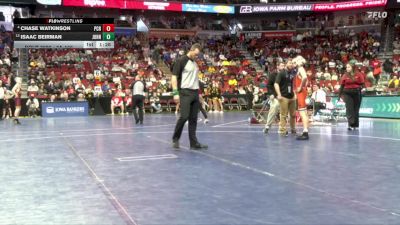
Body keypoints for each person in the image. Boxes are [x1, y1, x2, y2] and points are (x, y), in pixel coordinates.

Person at [171, 43, 208, 150]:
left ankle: (193, 143)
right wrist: (175, 93)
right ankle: (175, 138)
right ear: (192, 50)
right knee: (184, 116)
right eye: (196, 54)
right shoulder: (181, 61)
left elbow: (194, 79)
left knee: (193, 119)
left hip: (195, 92)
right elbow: (174, 77)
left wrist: (199, 95)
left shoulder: (195, 63)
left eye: (198, 55)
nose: (197, 56)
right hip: (185, 92)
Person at [339, 63, 365, 130]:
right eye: (346, 67)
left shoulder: (359, 74)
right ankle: (350, 124)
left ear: (352, 68)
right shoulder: (344, 75)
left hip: (357, 92)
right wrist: (339, 96)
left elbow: (363, 84)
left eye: (348, 67)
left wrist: (363, 89)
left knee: (356, 109)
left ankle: (355, 125)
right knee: (349, 109)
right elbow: (341, 86)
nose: (347, 68)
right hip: (347, 93)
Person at [275, 60, 297, 136]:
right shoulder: (281, 73)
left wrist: (294, 94)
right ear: (286, 64)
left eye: (292, 63)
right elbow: (276, 84)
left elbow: (292, 84)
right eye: (290, 63)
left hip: (292, 97)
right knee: (283, 115)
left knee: (293, 115)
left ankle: (293, 129)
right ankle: (282, 130)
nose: (291, 64)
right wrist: (279, 94)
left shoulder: (292, 73)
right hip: (284, 97)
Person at [263, 62, 283, 134]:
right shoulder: (273, 75)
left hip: (284, 96)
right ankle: (267, 126)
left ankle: (282, 128)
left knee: (283, 112)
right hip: (275, 96)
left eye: (284, 65)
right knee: (273, 108)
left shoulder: (286, 75)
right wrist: (272, 94)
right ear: (277, 66)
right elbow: (268, 85)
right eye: (282, 65)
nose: (283, 66)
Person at [292, 55, 309, 140]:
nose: (293, 64)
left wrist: (300, 87)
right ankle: (305, 131)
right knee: (304, 112)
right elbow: (306, 80)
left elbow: (305, 78)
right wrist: (303, 86)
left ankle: (305, 132)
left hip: (301, 92)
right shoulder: (300, 69)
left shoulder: (300, 69)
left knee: (302, 113)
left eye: (294, 62)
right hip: (302, 92)